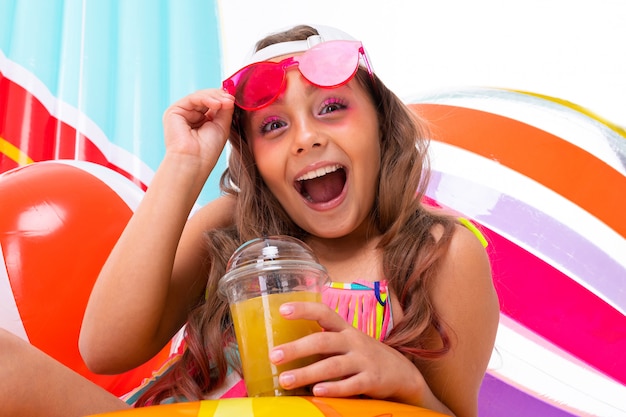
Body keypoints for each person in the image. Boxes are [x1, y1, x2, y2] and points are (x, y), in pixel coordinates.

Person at [0, 24, 499, 417]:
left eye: (331, 107)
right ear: (253, 157)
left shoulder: (439, 253)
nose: (306, 138)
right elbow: (105, 349)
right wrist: (185, 164)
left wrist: (406, 381)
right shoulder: (236, 229)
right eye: (275, 125)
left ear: (381, 123)